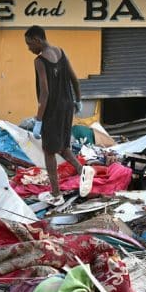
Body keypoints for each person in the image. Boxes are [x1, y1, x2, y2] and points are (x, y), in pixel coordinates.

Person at [24, 25, 94, 205]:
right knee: (63, 146)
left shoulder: (40, 61)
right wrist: (78, 100)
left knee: (49, 151)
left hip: (52, 110)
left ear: (37, 40)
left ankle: (56, 195)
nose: (29, 48)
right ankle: (82, 170)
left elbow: (45, 92)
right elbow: (74, 78)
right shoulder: (60, 52)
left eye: (29, 44)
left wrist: (38, 120)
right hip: (68, 106)